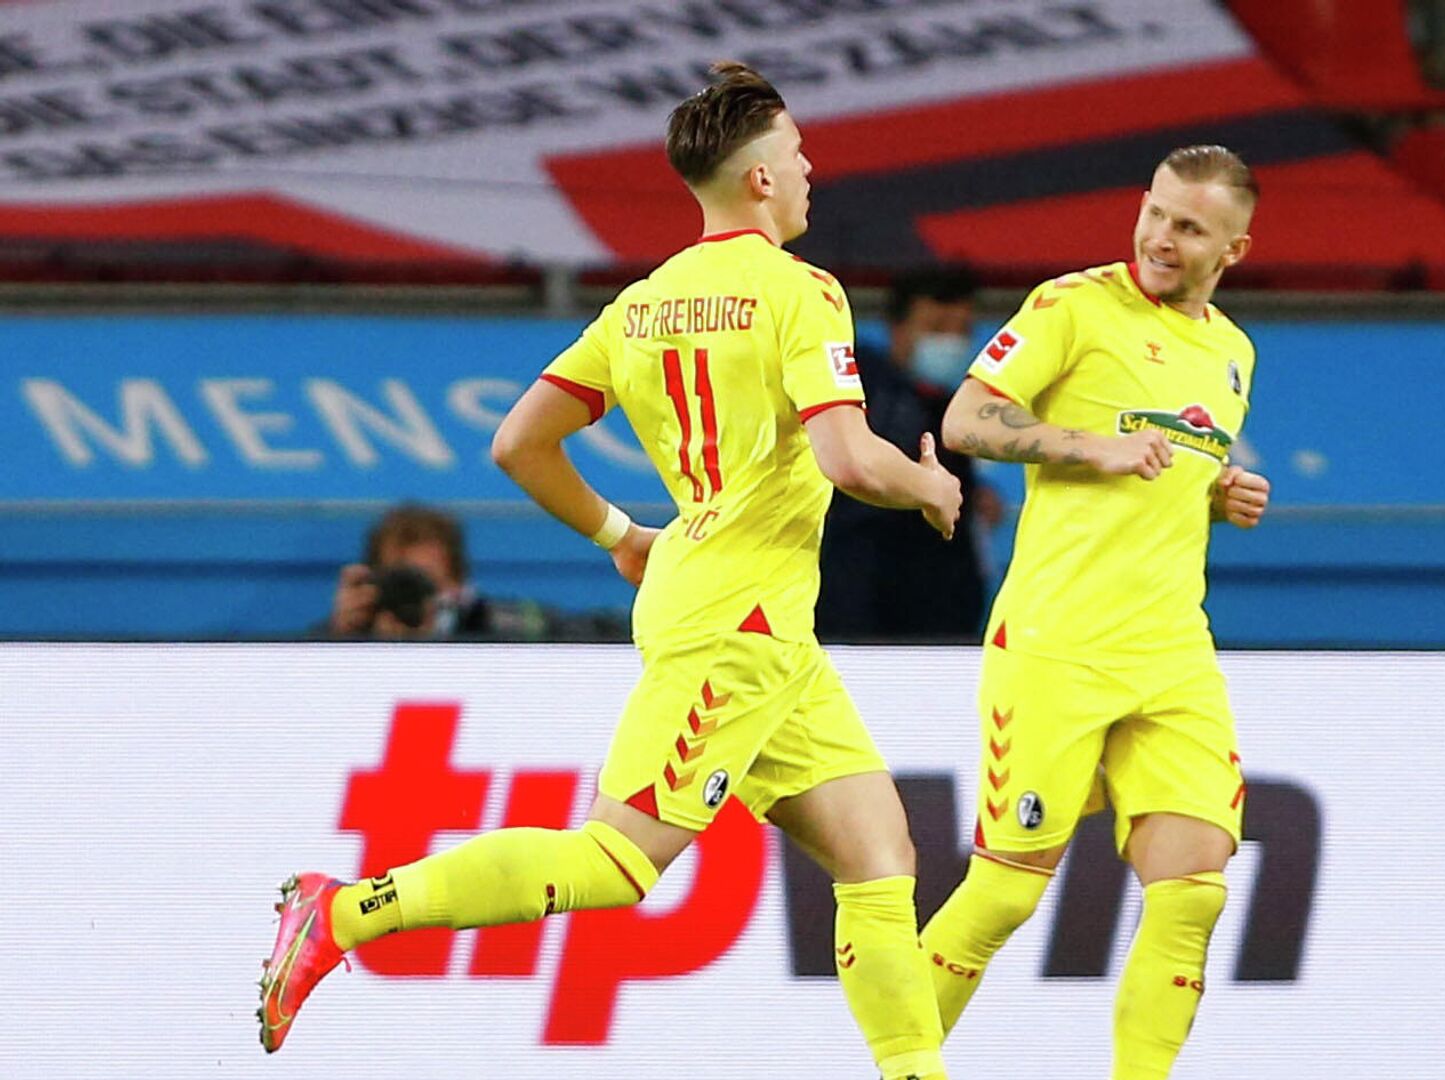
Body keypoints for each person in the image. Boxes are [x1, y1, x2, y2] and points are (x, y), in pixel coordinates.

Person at [258, 62, 963, 1080]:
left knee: (877, 854)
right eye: (799, 152)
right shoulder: (800, 291)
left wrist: (620, 536)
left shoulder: (643, 304)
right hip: (738, 627)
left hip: (746, 613)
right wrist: (930, 487)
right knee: (616, 863)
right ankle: (347, 910)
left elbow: (517, 444)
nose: (810, 169)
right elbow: (849, 457)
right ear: (760, 177)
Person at [917, 145, 1272, 1080]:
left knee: (1193, 892)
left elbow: (1165, 463)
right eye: (1154, 211)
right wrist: (1082, 444)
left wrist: (1215, 492)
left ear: (1232, 249)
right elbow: (966, 420)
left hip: (1171, 649)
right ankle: (896, 1061)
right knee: (1001, 897)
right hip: (1057, 641)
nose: (1159, 236)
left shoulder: (1234, 353)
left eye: (1188, 227)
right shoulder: (1072, 305)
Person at [817, 266, 1001, 641]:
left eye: (961, 331)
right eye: (936, 329)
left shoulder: (954, 402)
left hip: (942, 605)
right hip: (862, 600)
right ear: (897, 330)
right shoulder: (860, 392)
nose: (951, 342)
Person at [323, 503, 556, 640]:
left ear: (458, 586)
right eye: (401, 583)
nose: (412, 596)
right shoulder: (348, 638)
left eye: (426, 582)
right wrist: (339, 637)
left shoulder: (499, 628)